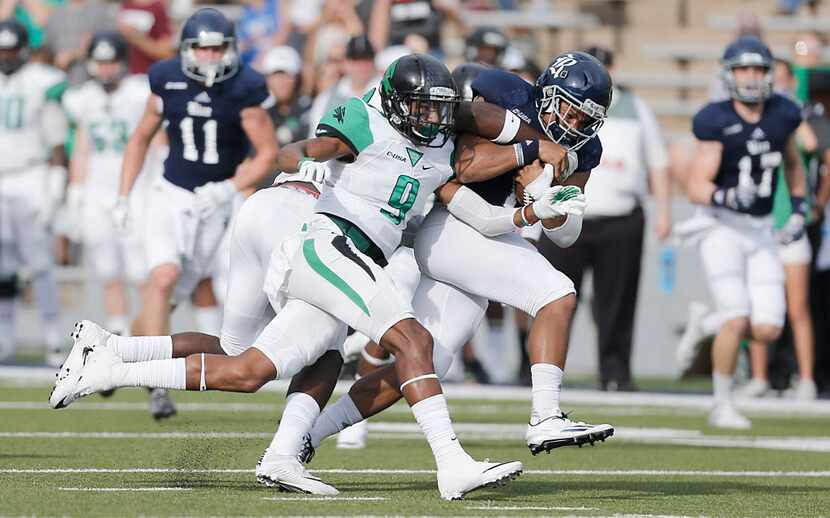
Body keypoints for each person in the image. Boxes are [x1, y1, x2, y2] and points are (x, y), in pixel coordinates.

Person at [49, 54, 572, 499]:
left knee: (252, 369)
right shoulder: (366, 120)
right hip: (331, 245)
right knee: (413, 338)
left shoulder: (443, 144)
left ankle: (111, 368)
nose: (430, 117)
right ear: (393, 102)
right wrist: (307, 161)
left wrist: (531, 208)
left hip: (355, 257)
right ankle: (452, 464)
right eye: (419, 107)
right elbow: (295, 150)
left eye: (437, 107)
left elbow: (482, 211)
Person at [304, 52, 614, 458]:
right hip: (452, 224)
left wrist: (544, 198)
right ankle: (546, 415)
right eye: (568, 113)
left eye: (583, 121)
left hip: (478, 232)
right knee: (556, 293)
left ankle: (309, 434)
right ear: (547, 96)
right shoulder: (507, 98)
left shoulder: (585, 151)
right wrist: (528, 152)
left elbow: (566, 233)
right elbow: (464, 165)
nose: (573, 126)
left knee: (429, 360)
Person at [113, 8, 279, 419]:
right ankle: (154, 385)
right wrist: (123, 196)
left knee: (168, 299)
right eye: (201, 48)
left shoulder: (244, 87)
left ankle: (111, 357)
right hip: (169, 193)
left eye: (216, 48)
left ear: (229, 49)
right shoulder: (166, 77)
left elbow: (268, 153)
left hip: (212, 204)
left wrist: (226, 189)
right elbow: (140, 138)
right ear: (187, 50)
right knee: (162, 277)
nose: (208, 57)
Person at [533, 46, 672, 391]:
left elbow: (658, 162)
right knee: (550, 296)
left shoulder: (635, 108)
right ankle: (537, 371)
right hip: (563, 215)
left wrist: (664, 210)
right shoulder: (555, 106)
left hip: (619, 217)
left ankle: (615, 372)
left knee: (617, 301)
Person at [686, 36, 807, 428]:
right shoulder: (715, 118)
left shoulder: (783, 114)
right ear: (729, 74)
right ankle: (721, 403)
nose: (751, 77)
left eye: (757, 69)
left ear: (770, 74)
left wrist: (800, 210)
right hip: (722, 227)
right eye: (743, 69)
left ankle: (705, 322)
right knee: (737, 318)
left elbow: (792, 164)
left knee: (769, 329)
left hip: (761, 230)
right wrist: (728, 195)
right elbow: (697, 185)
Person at [61, 31, 156, 337]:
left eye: (111, 62)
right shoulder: (83, 98)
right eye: (100, 62)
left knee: (140, 271)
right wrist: (75, 192)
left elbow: (158, 142)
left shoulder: (139, 93)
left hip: (136, 189)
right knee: (107, 271)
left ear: (123, 63)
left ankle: (145, 338)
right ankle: (119, 333)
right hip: (97, 191)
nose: (105, 69)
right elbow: (82, 147)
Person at [0, 18, 67, 365]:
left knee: (40, 265)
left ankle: (54, 337)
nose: (6, 57)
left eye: (12, 50)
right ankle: (5, 338)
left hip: (31, 176)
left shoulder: (42, 82)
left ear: (24, 50)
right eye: (2, 51)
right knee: (3, 267)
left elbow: (57, 140)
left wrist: (55, 187)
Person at [259, 45, 311, 149]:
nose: (281, 82)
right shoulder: (262, 114)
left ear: (297, 78)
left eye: (287, 75)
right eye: (276, 75)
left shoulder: (310, 110)